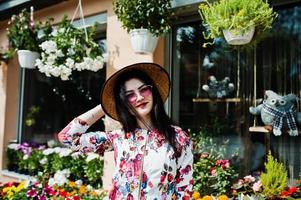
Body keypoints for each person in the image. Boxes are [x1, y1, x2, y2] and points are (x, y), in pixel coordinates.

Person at [58, 62, 193, 200]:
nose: (139, 97)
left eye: (143, 90)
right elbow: (68, 137)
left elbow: (184, 190)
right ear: (124, 103)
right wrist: (104, 107)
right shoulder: (118, 137)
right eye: (130, 95)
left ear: (153, 92)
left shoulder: (179, 137)